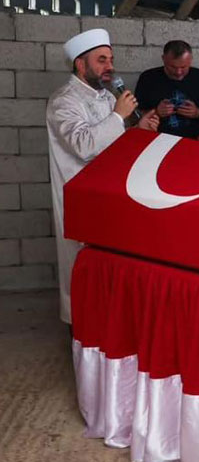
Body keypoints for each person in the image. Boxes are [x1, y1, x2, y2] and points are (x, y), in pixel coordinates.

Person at [45, 29, 158, 325]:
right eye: (101, 60)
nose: (109, 66)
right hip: (78, 195)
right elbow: (83, 145)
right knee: (80, 263)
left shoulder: (108, 97)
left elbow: (114, 143)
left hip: (108, 192)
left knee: (109, 263)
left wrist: (138, 130)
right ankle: (79, 328)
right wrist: (119, 117)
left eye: (110, 59)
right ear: (80, 65)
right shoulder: (63, 101)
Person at [134, 39, 199, 138]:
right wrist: (156, 112)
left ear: (190, 60)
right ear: (163, 59)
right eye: (172, 67)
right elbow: (134, 116)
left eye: (183, 67)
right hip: (156, 141)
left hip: (194, 142)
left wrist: (198, 113)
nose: (178, 72)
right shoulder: (148, 78)